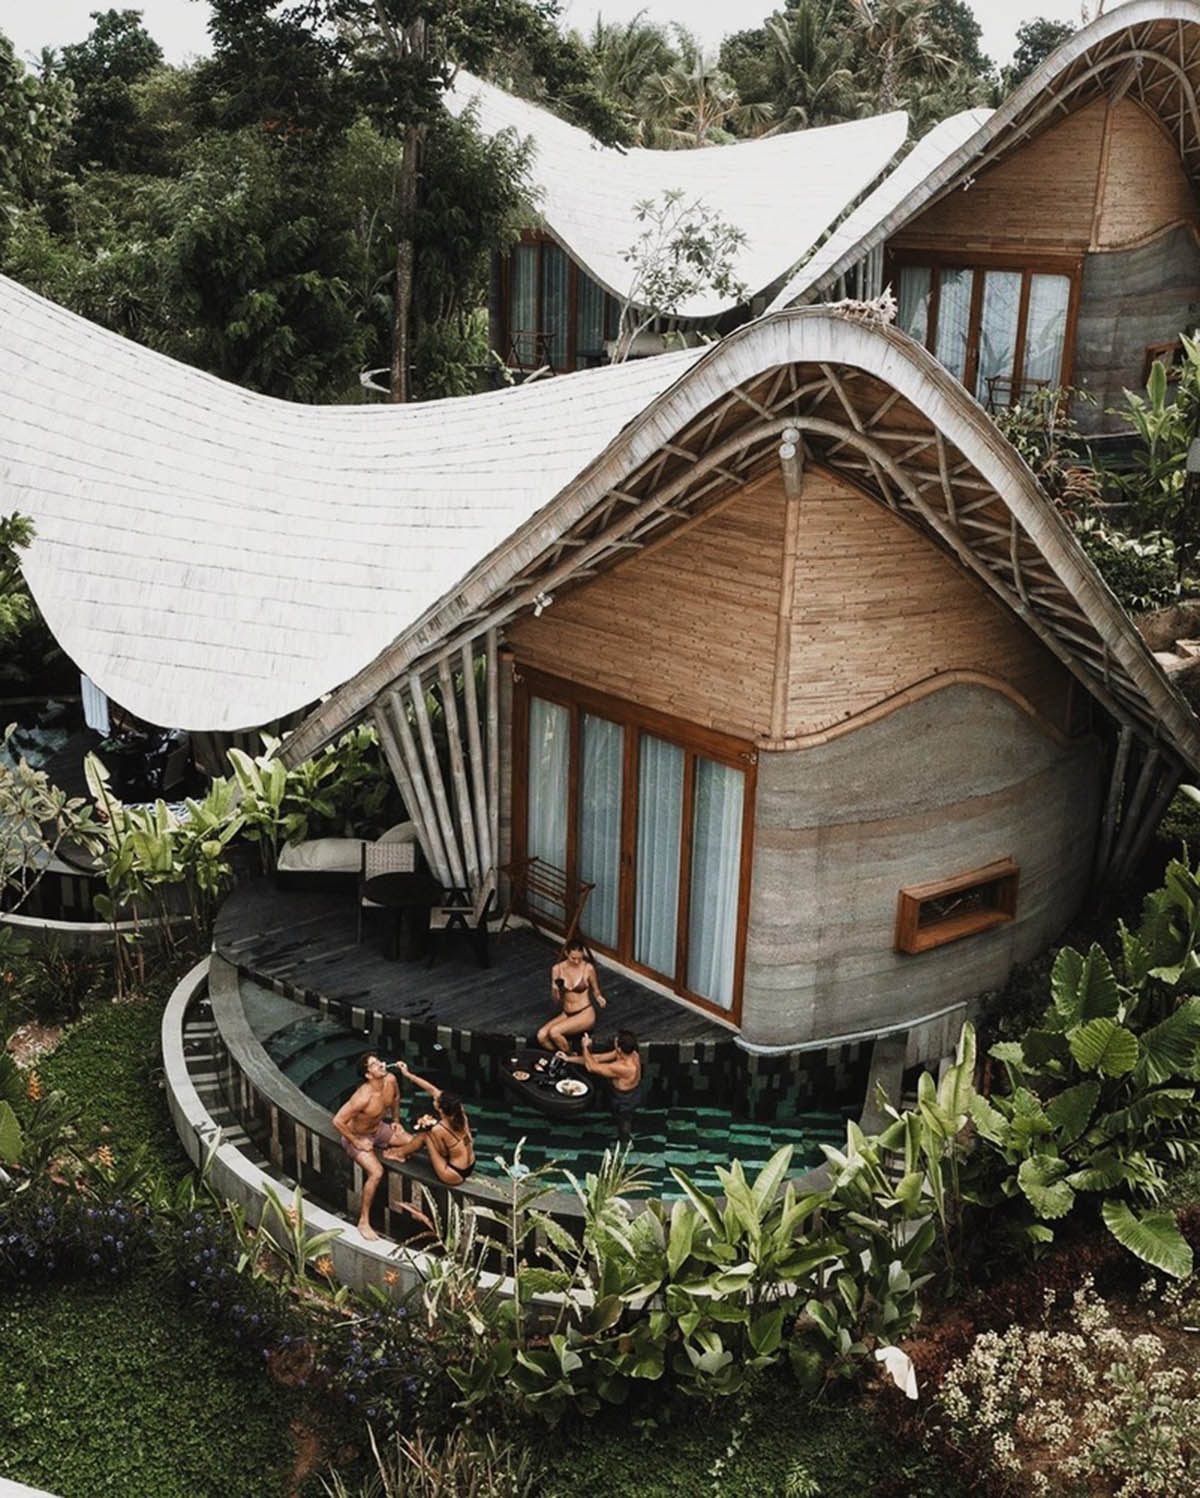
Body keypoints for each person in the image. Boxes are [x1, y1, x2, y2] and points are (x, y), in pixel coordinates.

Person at [331, 1052, 410, 1240]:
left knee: (411, 1141)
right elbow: (338, 1121)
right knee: (376, 1172)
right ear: (368, 1074)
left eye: (380, 1061)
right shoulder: (362, 1096)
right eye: (375, 1065)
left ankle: (394, 1153)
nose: (382, 1064)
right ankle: (364, 1221)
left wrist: (397, 1120)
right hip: (357, 1136)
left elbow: (397, 1098)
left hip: (379, 1130)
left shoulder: (390, 1080)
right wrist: (356, 1141)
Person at [386, 1062, 476, 1185]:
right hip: (470, 1164)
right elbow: (430, 1088)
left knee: (425, 1137)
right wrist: (407, 1074)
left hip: (454, 1174)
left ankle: (400, 1154)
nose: (434, 1098)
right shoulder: (458, 1110)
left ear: (440, 1108)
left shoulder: (440, 1128)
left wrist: (426, 1126)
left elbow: (443, 1152)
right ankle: (401, 1152)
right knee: (430, 1136)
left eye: (435, 1100)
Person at [561, 1029, 643, 1144]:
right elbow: (598, 1058)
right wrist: (568, 1059)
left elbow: (591, 1067)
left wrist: (584, 1046)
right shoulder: (631, 1053)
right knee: (616, 1113)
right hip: (621, 1091)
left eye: (615, 1042)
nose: (613, 1042)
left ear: (619, 1048)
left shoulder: (623, 1067)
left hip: (625, 1099)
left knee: (623, 1121)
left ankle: (625, 1143)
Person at [537, 938, 607, 1052]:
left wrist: (599, 998)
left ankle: (571, 1058)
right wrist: (555, 989)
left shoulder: (588, 968)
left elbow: (596, 990)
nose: (577, 962)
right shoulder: (557, 969)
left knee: (554, 1032)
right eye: (573, 958)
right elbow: (556, 1000)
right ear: (566, 954)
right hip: (567, 1013)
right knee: (541, 1035)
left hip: (584, 1013)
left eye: (580, 958)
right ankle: (561, 1054)